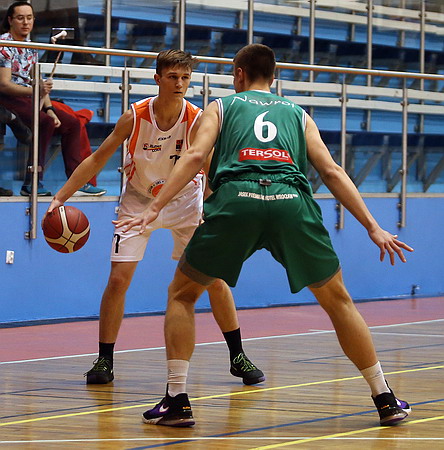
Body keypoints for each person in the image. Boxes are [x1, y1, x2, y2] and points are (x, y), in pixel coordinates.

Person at [116, 44, 414, 428]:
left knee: (182, 294)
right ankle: (384, 397)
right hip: (291, 202)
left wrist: (155, 206)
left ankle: (177, 400)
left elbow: (194, 157)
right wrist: (373, 226)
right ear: (274, 77)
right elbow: (332, 171)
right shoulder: (298, 114)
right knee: (339, 301)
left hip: (237, 200)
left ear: (239, 74)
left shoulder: (220, 107)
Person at [44, 49, 265, 387]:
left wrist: (219, 210)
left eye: (185, 78)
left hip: (185, 202)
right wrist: (61, 196)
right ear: (157, 78)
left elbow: (212, 170)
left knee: (214, 279)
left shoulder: (196, 119)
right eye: (173, 77)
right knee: (118, 280)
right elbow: (97, 159)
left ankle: (238, 355)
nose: (180, 83)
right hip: (139, 201)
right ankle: (104, 359)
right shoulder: (134, 117)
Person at [0, 1, 106, 196]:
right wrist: (36, 91)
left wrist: (49, 108)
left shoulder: (31, 46)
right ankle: (32, 182)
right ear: (10, 20)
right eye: (20, 18)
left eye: (29, 18)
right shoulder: (4, 45)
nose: (25, 22)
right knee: (45, 123)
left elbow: (37, 80)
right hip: (8, 99)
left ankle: (77, 182)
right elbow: (4, 85)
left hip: (29, 96)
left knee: (72, 123)